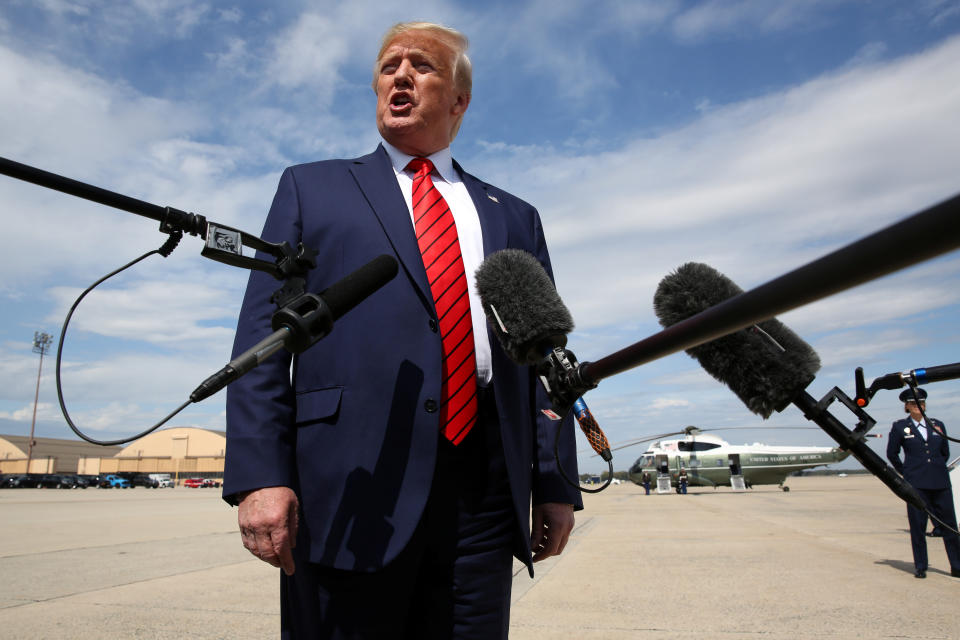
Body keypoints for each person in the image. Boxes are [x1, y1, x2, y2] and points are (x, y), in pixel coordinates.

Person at [222, 21, 582, 638]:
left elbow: (547, 361)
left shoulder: (515, 216)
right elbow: (261, 339)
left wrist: (554, 481)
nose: (401, 75)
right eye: (390, 66)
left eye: (423, 65)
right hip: (351, 483)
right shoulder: (312, 188)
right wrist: (261, 474)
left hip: (486, 491)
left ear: (459, 99)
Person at [885, 387, 960, 579]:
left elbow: (945, 452)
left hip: (940, 481)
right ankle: (921, 565)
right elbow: (892, 454)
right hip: (916, 483)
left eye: (923, 403)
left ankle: (957, 565)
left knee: (950, 525)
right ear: (908, 406)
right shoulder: (900, 427)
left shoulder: (937, 425)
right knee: (918, 526)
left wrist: (935, 467)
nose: (920, 406)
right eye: (915, 403)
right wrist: (906, 473)